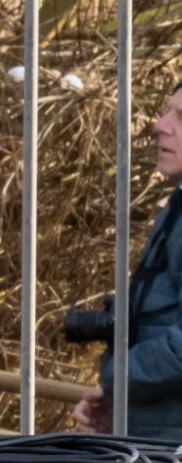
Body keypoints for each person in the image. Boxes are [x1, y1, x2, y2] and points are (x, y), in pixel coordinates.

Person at [74, 83, 182, 441]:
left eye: (180, 117)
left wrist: (116, 377)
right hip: (156, 447)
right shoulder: (176, 209)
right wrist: (120, 411)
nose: (160, 124)